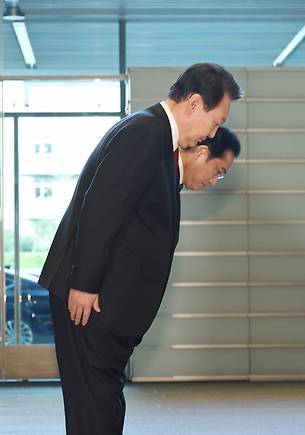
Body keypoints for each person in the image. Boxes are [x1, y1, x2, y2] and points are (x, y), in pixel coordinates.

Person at [38, 62, 243, 435]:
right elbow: (101, 207)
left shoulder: (155, 138)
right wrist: (84, 284)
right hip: (89, 303)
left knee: (101, 407)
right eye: (216, 121)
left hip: (102, 307)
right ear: (194, 103)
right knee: (93, 412)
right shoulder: (145, 134)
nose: (213, 133)